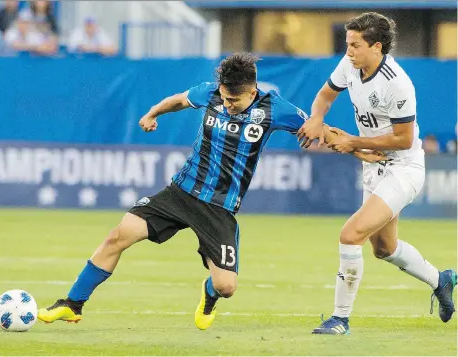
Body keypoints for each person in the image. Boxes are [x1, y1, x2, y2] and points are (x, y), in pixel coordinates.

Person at [37, 52, 311, 330]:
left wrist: (347, 143)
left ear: (253, 91)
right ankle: (72, 304)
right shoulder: (210, 93)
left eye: (234, 101)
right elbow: (179, 100)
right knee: (118, 236)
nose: (227, 105)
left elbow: (315, 128)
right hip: (180, 193)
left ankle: (209, 292)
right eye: (225, 99)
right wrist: (152, 113)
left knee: (226, 286)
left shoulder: (274, 108)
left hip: (218, 208)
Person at [298, 12, 456, 335]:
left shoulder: (397, 83)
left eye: (355, 45)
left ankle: (339, 319)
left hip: (404, 169)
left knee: (350, 234)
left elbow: (404, 139)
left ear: (377, 47)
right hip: (374, 166)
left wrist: (352, 142)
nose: (349, 51)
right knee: (384, 248)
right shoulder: (349, 65)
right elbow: (326, 95)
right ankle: (442, 280)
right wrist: (316, 117)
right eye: (347, 44)